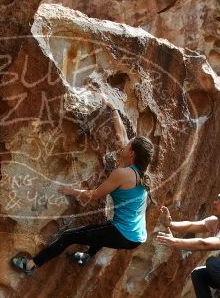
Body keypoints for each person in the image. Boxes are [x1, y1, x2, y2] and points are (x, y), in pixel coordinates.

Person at [11, 103, 153, 275]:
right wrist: (113, 109)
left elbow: (94, 195)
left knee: (69, 237)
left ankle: (31, 265)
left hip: (124, 235)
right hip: (136, 235)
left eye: (129, 144)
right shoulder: (138, 172)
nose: (125, 143)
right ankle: (85, 256)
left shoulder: (122, 174)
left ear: (131, 153)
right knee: (103, 230)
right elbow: (121, 135)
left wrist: (71, 191)